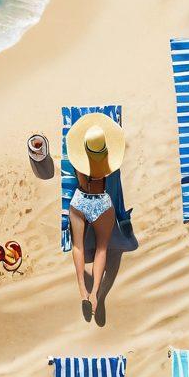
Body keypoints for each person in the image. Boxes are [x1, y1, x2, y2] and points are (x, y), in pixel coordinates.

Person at [65, 113, 126, 320]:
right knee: (101, 248)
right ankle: (97, 294)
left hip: (81, 200)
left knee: (78, 246)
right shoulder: (107, 165)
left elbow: (76, 166)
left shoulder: (79, 162)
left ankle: (83, 290)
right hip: (102, 202)